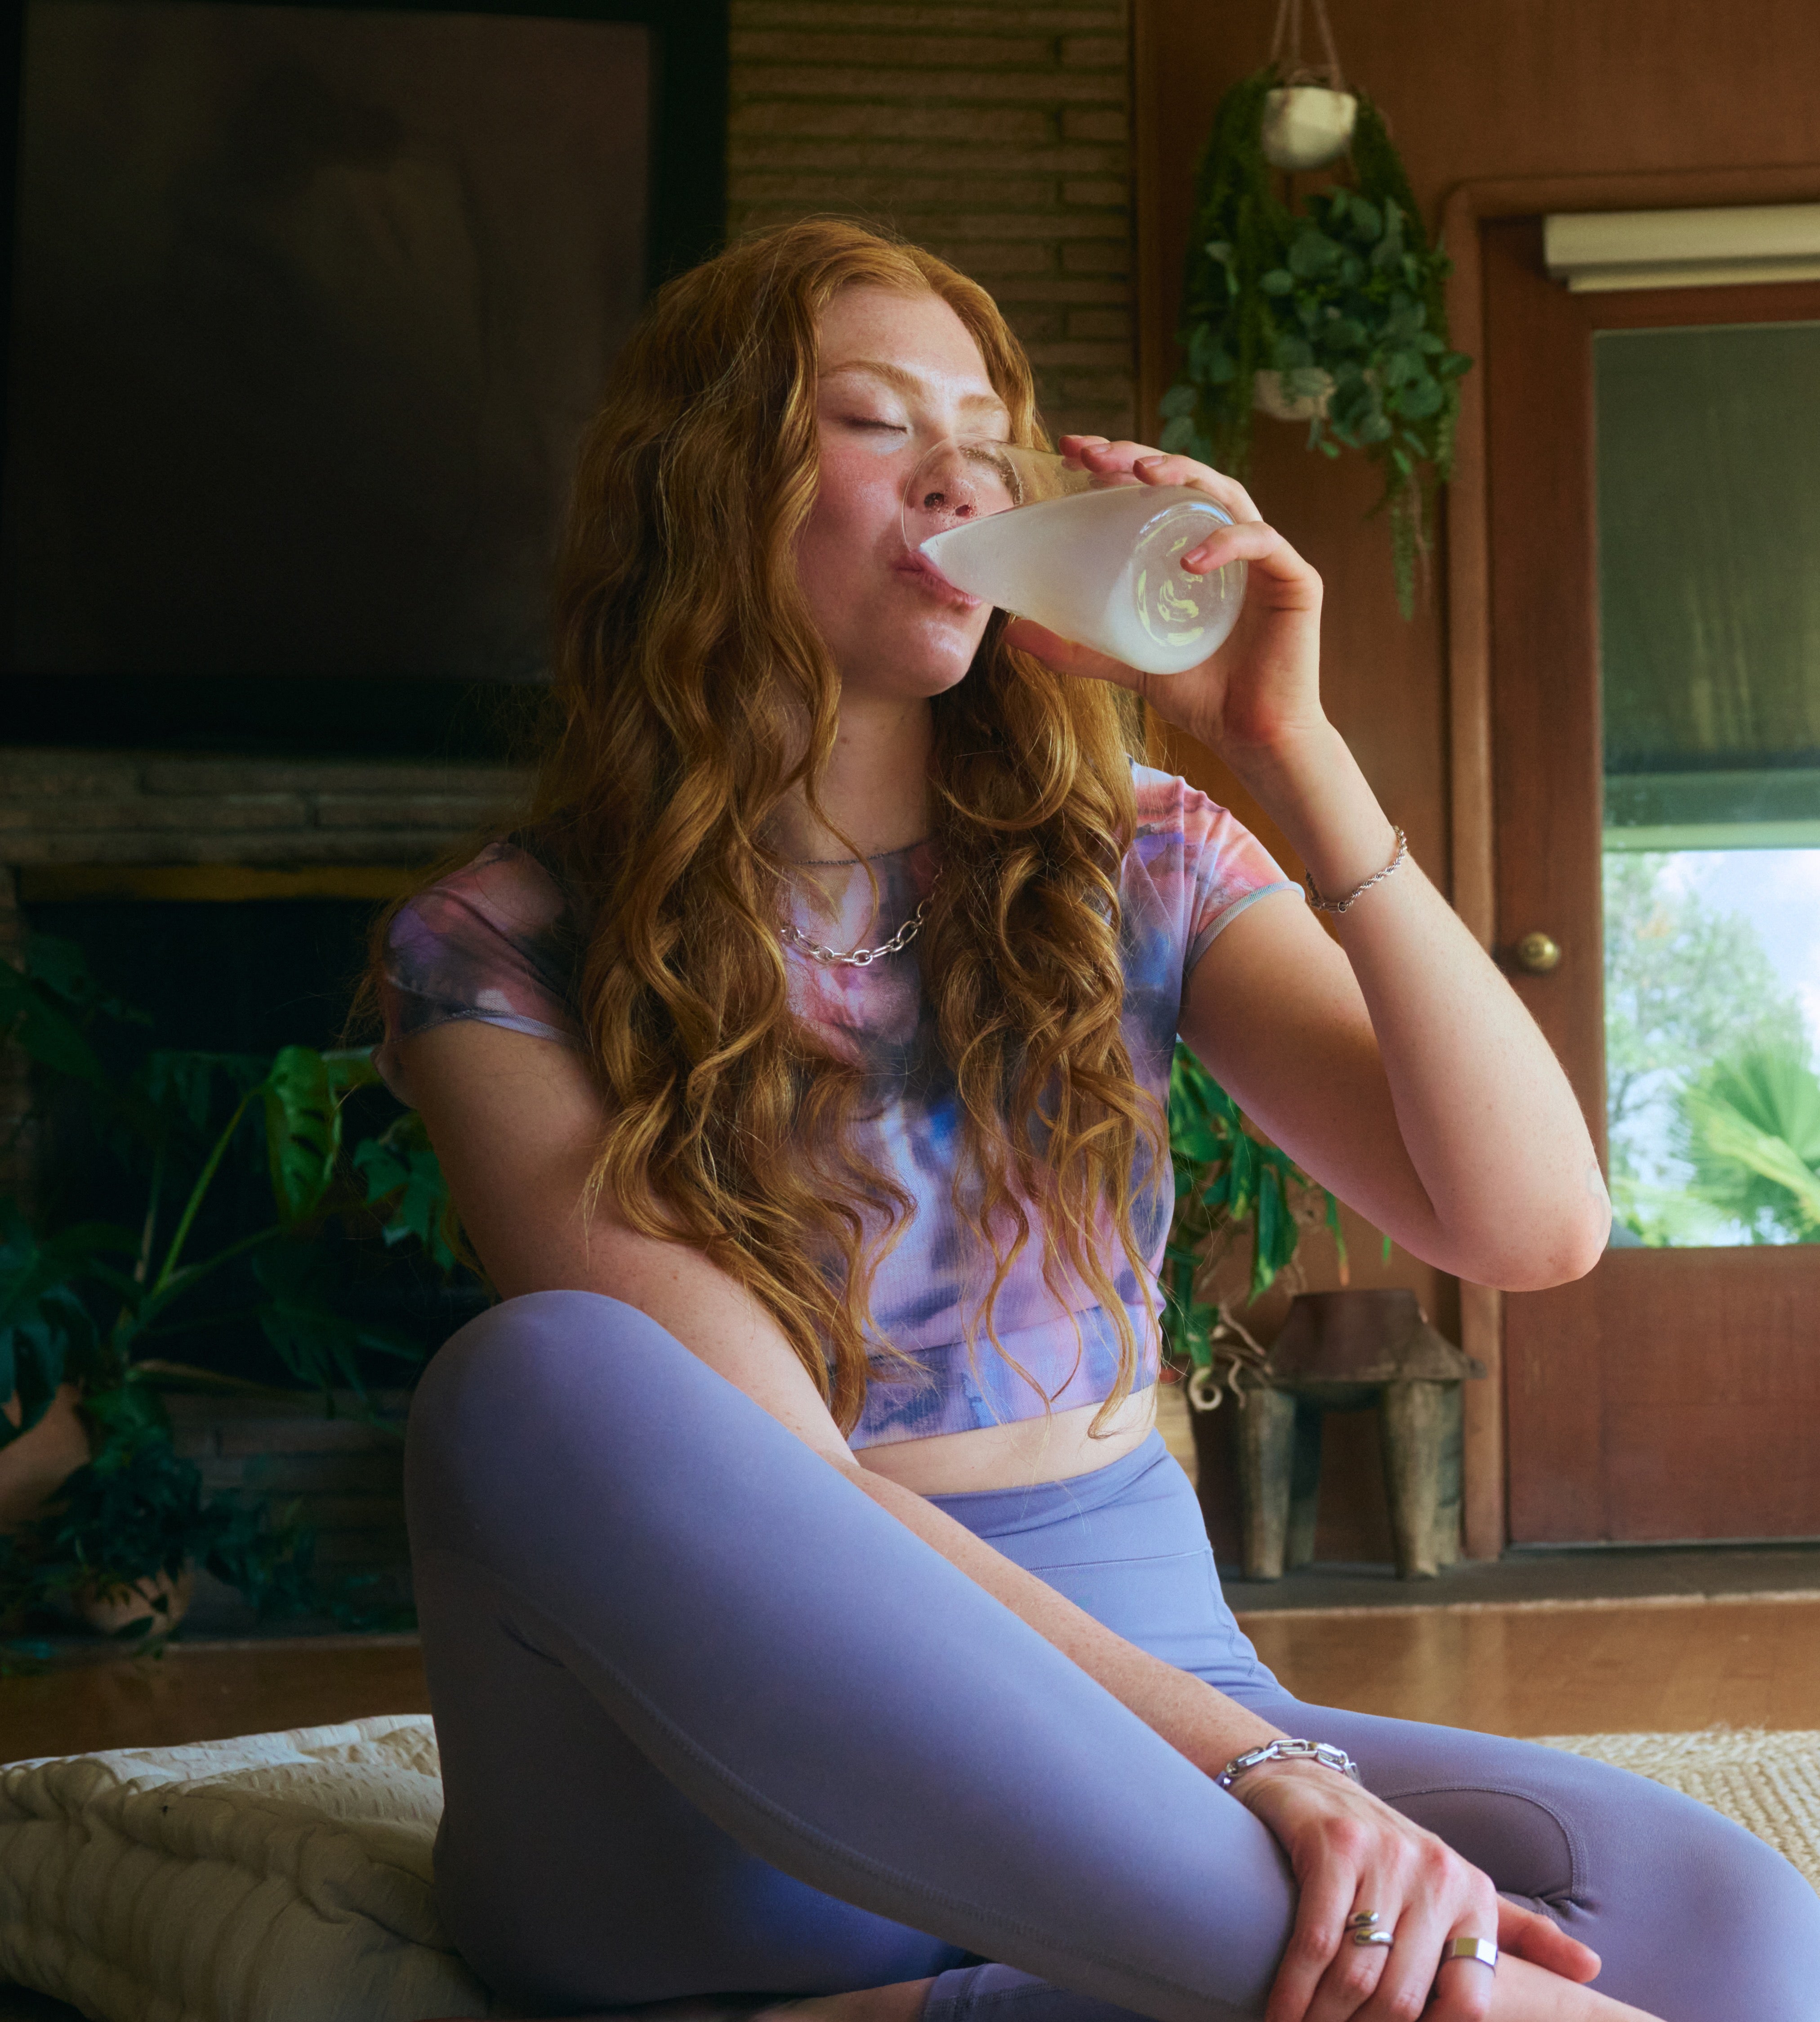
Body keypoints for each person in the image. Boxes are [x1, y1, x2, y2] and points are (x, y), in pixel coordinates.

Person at [379, 220, 1820, 2022]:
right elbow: (782, 1493)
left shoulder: (1130, 857)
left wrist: (1284, 742)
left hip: (1137, 1685)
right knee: (539, 1379)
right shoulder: (494, 950)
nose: (963, 467)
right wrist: (1255, 1779)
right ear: (703, 486)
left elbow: (1530, 1227)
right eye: (872, 418)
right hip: (740, 1772)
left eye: (986, 429)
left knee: (1742, 1935)